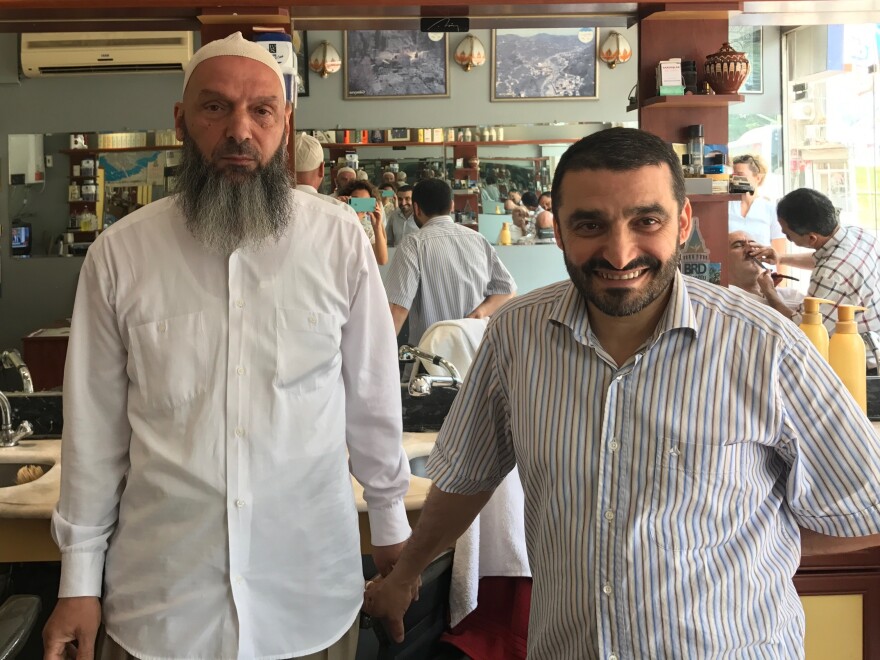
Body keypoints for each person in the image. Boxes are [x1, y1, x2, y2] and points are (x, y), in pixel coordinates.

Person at [364, 127, 880, 659]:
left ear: (682, 224)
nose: (619, 252)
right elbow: (467, 474)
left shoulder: (764, 346)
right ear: (558, 230)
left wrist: (752, 549)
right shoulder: (516, 336)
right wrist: (406, 575)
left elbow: (868, 503)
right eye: (590, 224)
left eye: (646, 221)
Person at [42, 32, 411, 660]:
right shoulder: (120, 255)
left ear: (286, 124)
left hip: (309, 600)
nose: (240, 130)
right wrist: (78, 582)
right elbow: (94, 433)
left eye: (261, 110)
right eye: (216, 108)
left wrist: (392, 530)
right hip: (160, 607)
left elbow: (371, 401)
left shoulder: (339, 241)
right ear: (182, 122)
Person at [384, 178, 516, 345]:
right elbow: (507, 290)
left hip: (432, 356)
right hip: (476, 349)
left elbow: (398, 310)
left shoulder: (413, 243)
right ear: (452, 206)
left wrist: (379, 357)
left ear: (416, 208)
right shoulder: (477, 239)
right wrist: (479, 313)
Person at [753, 187, 880, 346]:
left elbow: (802, 329)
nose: (787, 237)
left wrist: (770, 293)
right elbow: (822, 259)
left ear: (812, 238)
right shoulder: (860, 235)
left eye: (789, 236)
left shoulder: (828, 275)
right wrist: (780, 258)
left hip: (860, 355)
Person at [728, 230, 802, 319]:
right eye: (738, 245)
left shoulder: (792, 296)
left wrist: (771, 293)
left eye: (753, 245)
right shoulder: (724, 299)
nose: (750, 249)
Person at [728, 154, 788, 263]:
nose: (735, 178)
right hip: (733, 272)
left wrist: (781, 279)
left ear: (758, 178)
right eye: (733, 175)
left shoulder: (771, 210)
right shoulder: (726, 207)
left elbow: (780, 254)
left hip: (764, 273)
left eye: (740, 175)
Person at [294, 131, 358, 216]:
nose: (348, 182)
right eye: (344, 179)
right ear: (321, 169)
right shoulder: (342, 211)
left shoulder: (271, 209)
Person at [338, 179, 388, 265]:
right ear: (347, 200)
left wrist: (377, 227)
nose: (359, 206)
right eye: (356, 201)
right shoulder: (338, 222)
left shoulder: (368, 229)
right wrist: (337, 206)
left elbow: (382, 260)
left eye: (364, 202)